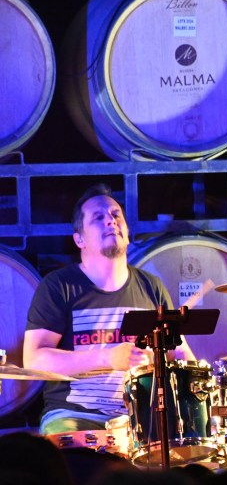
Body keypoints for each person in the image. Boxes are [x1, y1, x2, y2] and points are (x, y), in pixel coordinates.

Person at [23, 183, 195, 435]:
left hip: (139, 417)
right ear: (79, 239)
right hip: (74, 414)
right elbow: (34, 359)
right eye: (98, 218)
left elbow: (179, 353)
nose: (110, 221)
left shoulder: (150, 287)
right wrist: (106, 358)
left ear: (126, 231)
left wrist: (194, 374)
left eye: (116, 215)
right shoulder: (59, 286)